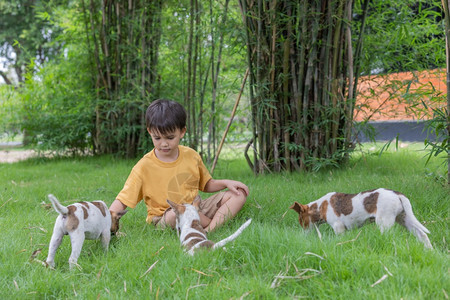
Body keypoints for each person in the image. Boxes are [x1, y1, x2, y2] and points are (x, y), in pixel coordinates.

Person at [109, 99, 249, 232]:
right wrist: (107, 219)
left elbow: (206, 184)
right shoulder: (144, 166)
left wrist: (226, 183)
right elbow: (123, 199)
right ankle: (213, 222)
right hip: (166, 217)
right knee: (179, 213)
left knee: (238, 194)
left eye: (170, 138)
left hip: (196, 208)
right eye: (157, 138)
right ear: (150, 131)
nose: (163, 144)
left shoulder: (191, 155)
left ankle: (209, 229)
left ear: (182, 132)